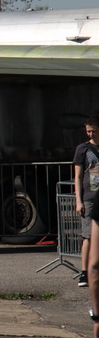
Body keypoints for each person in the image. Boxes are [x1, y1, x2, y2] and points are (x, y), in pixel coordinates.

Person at [73, 115, 99, 288]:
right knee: (88, 236)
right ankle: (84, 272)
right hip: (90, 196)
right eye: (88, 131)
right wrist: (78, 200)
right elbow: (77, 176)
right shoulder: (82, 149)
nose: (90, 134)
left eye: (94, 131)